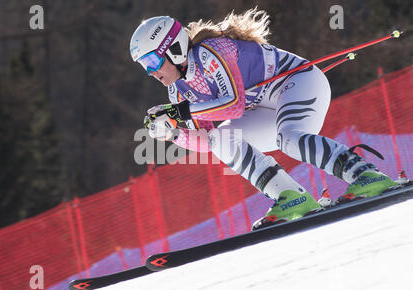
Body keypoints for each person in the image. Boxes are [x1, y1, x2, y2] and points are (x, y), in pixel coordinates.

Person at [129, 8, 398, 229]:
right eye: (144, 67)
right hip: (265, 108)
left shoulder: (211, 51)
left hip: (298, 83)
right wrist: (174, 131)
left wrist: (181, 113)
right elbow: (207, 141)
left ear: (173, 49)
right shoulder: (178, 90)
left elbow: (234, 105)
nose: (151, 73)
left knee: (289, 139)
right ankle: (291, 196)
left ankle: (365, 174)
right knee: (221, 138)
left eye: (152, 62)